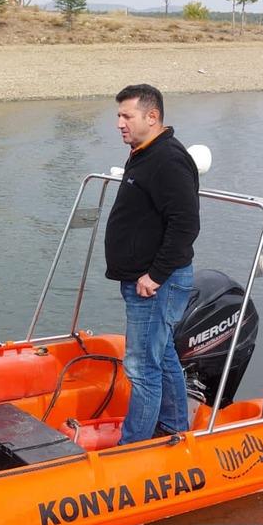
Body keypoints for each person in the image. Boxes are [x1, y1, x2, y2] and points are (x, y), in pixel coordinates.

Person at [104, 84, 200, 444]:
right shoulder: (143, 153)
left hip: (157, 282)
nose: (119, 123)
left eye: (126, 116)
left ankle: (134, 445)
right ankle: (175, 424)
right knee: (162, 356)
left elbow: (186, 225)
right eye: (119, 115)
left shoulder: (168, 160)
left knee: (141, 367)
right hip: (144, 279)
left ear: (152, 116)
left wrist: (155, 276)